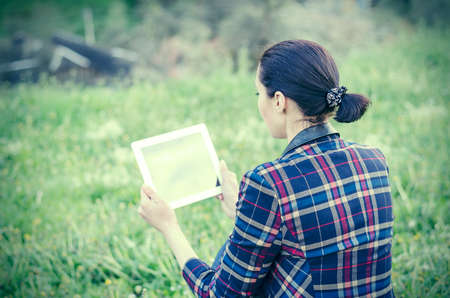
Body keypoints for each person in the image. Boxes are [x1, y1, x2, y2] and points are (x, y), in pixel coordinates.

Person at [138, 40, 394, 297]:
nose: (259, 103)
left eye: (258, 93)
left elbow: (219, 294)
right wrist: (244, 211)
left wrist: (169, 226)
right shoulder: (374, 160)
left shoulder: (269, 182)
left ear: (279, 101)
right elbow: (316, 239)